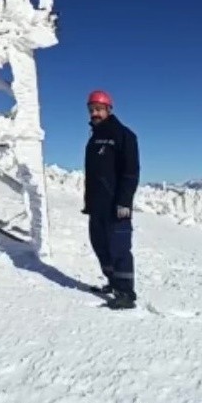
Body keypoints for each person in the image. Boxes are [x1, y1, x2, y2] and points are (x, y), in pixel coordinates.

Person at [83, 90, 140, 309]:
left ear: (109, 109)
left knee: (119, 248)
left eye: (98, 109)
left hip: (116, 206)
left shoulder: (124, 135)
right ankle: (113, 283)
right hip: (97, 206)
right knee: (101, 246)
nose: (94, 113)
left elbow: (131, 172)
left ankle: (126, 294)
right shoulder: (94, 137)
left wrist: (124, 202)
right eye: (91, 110)